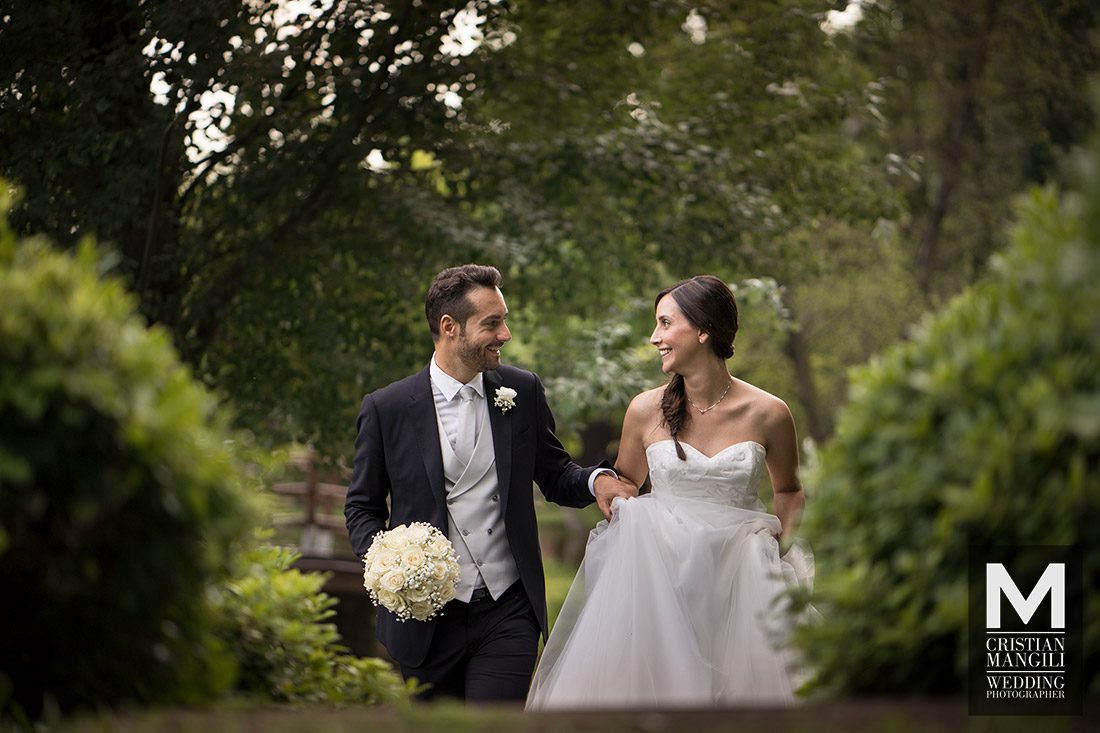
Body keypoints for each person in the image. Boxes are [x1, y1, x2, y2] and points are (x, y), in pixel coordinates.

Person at [344, 264, 636, 703]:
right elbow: (362, 508)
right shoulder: (387, 409)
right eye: (492, 323)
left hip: (508, 609)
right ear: (450, 328)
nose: (506, 334)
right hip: (425, 623)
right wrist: (389, 564)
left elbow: (556, 475)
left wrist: (598, 481)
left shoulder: (522, 391)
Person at [526, 275, 815, 710]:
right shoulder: (644, 410)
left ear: (703, 330)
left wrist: (780, 549)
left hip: (743, 578)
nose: (654, 337)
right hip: (661, 579)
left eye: (664, 323)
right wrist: (624, 512)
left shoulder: (770, 413)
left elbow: (789, 492)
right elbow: (622, 490)